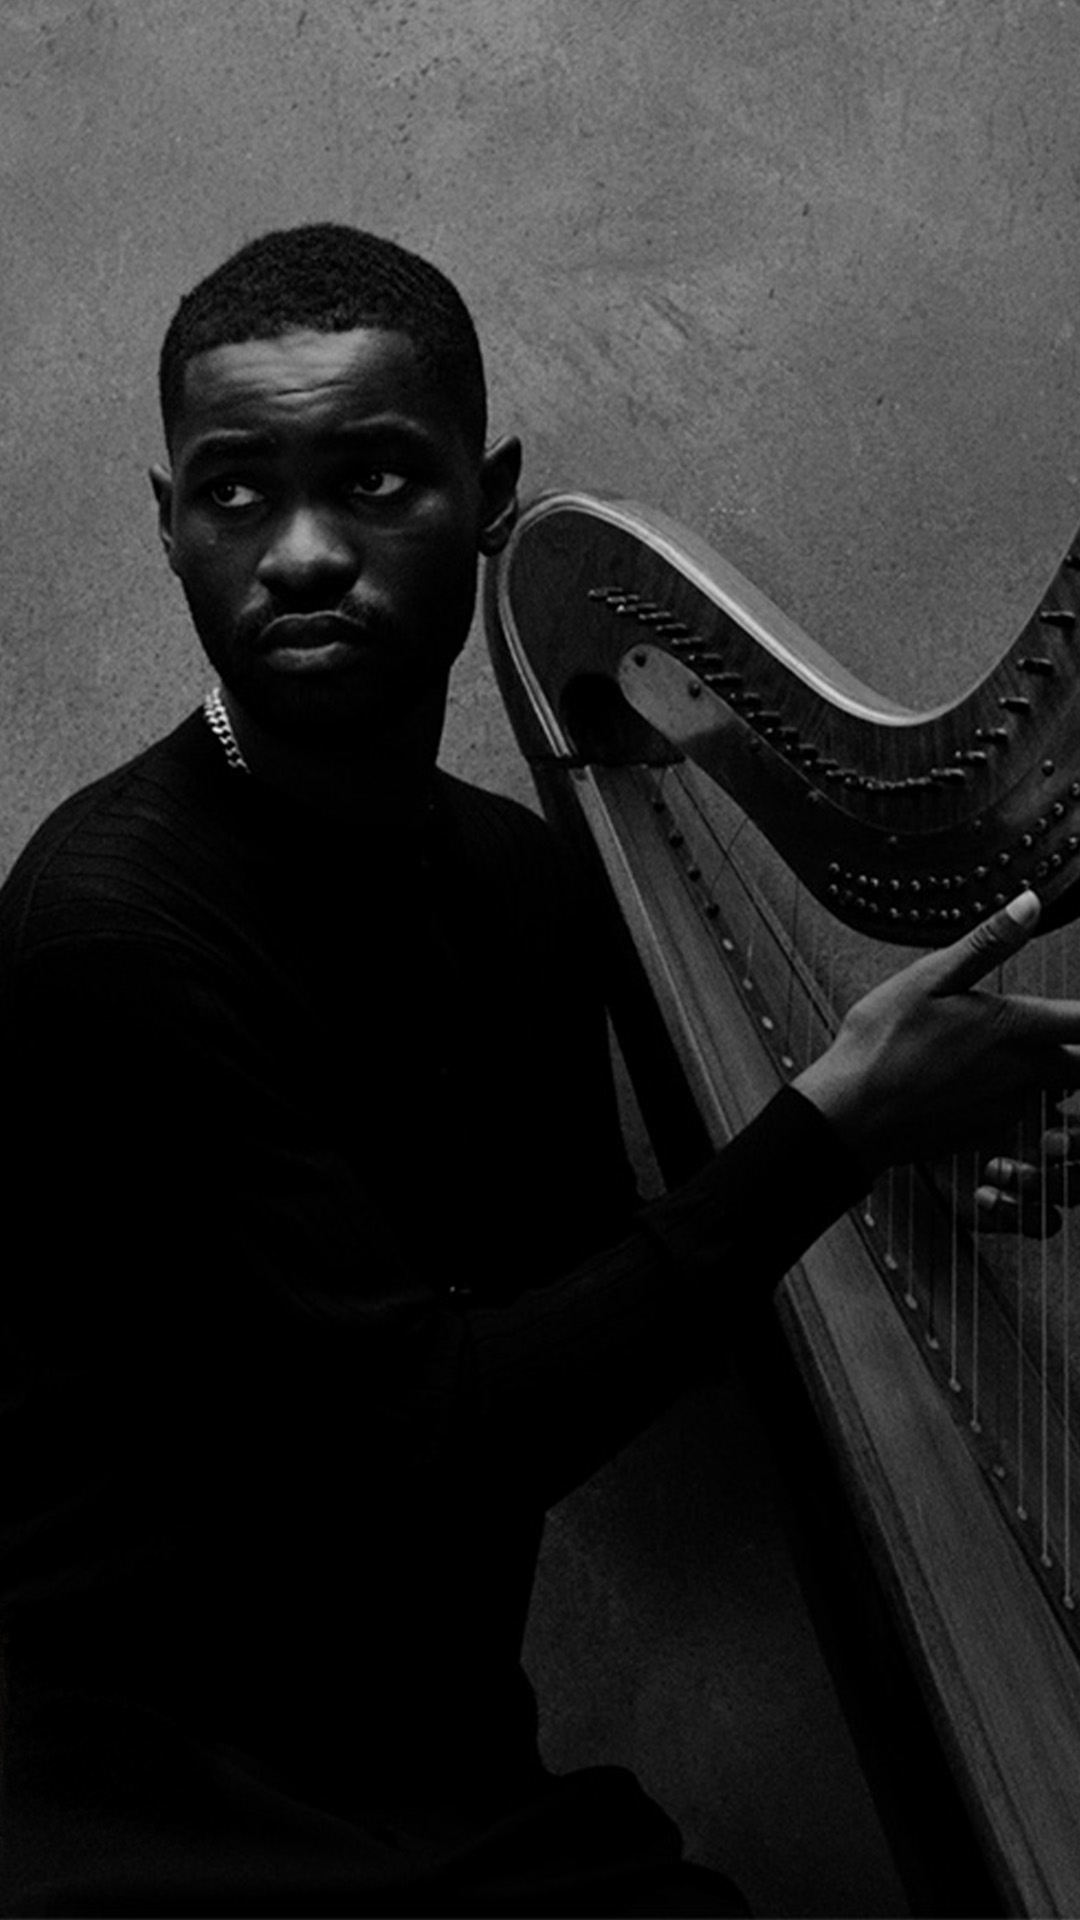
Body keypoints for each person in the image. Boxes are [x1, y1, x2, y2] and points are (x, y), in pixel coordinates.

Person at [0, 222, 1077, 1920]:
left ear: (487, 495)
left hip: (439, 1782)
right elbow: (431, 1439)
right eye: (234, 494)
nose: (300, 552)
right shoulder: (107, 926)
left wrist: (902, 1149)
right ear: (168, 523)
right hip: (145, 1814)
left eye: (373, 480)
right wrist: (829, 1134)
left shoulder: (512, 880)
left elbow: (581, 1318)